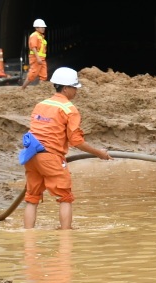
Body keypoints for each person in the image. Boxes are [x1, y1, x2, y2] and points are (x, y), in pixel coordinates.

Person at [22, 67, 112, 230]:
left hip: (31, 156)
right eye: (74, 87)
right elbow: (76, 142)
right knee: (65, 197)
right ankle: (66, 236)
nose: (76, 91)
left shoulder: (41, 104)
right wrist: (99, 153)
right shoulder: (69, 109)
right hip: (50, 157)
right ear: (65, 88)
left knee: (32, 198)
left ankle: (28, 235)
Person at [24, 19, 49, 87]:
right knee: (33, 73)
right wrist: (38, 58)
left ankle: (40, 89)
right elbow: (33, 47)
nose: (43, 28)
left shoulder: (41, 36)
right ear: (36, 28)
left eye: (44, 27)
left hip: (42, 58)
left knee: (43, 75)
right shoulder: (34, 36)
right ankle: (23, 87)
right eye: (42, 27)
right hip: (36, 58)